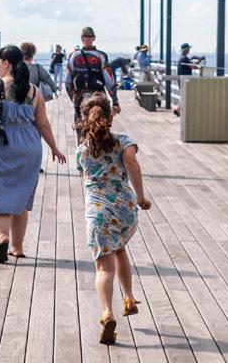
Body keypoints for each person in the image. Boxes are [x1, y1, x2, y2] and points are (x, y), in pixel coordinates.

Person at [0, 45, 66, 263]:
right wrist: (54, 148)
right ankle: (17, 247)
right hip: (29, 148)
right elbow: (43, 124)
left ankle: (3, 237)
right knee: (21, 199)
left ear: (6, 63)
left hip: (0, 146)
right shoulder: (33, 91)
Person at [76, 92, 151, 345]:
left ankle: (107, 313)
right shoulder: (123, 141)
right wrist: (141, 196)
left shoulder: (81, 151)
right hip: (124, 210)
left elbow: (84, 180)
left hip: (98, 213)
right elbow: (131, 161)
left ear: (84, 119)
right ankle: (128, 297)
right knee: (119, 248)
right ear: (110, 117)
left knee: (104, 267)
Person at [66, 26, 120, 138]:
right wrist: (115, 102)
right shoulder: (101, 56)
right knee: (101, 130)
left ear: (81, 38)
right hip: (98, 98)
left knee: (80, 129)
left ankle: (81, 146)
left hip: (80, 97)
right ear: (94, 38)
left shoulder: (73, 56)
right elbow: (109, 80)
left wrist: (73, 98)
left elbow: (68, 81)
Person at [173, 43, 204, 116]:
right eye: (188, 49)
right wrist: (200, 63)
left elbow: (191, 65)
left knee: (183, 95)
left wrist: (198, 63)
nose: (189, 50)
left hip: (181, 79)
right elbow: (193, 66)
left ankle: (178, 110)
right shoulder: (184, 58)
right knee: (185, 95)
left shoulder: (182, 58)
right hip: (185, 80)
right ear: (185, 49)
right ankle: (179, 110)